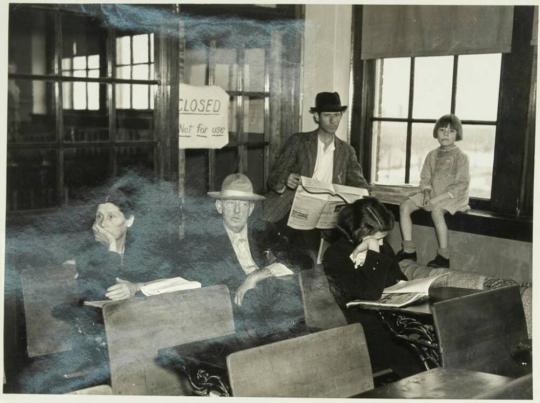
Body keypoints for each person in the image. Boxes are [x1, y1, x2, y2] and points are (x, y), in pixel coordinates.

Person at [182, 173, 312, 338]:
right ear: (219, 206)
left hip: (273, 298)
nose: (237, 210)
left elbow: (303, 260)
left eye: (243, 204)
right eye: (231, 203)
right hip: (238, 313)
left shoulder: (263, 230)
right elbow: (210, 283)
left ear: (250, 209)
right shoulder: (204, 240)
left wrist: (257, 276)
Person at [323, 197, 423, 378]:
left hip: (391, 322)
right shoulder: (336, 254)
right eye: (377, 239)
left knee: (423, 356)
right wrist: (373, 252)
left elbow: (398, 279)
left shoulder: (382, 247)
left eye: (383, 238)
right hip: (363, 330)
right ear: (359, 232)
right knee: (409, 362)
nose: (382, 243)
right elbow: (369, 293)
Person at [265, 91, 369, 253]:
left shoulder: (346, 151)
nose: (333, 120)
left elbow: (361, 187)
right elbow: (273, 178)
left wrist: (362, 197)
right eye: (327, 115)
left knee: (348, 246)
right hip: (295, 207)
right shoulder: (299, 141)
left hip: (328, 214)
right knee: (305, 248)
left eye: (337, 115)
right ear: (316, 117)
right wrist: (286, 179)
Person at [398, 114, 470, 268]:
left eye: (451, 131)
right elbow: (425, 178)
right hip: (432, 193)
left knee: (436, 212)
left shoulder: (461, 157)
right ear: (436, 132)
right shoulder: (432, 155)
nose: (445, 134)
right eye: (442, 130)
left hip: (452, 196)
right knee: (404, 206)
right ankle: (409, 250)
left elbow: (461, 185)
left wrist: (434, 201)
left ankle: (444, 256)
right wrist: (425, 194)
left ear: (457, 135)